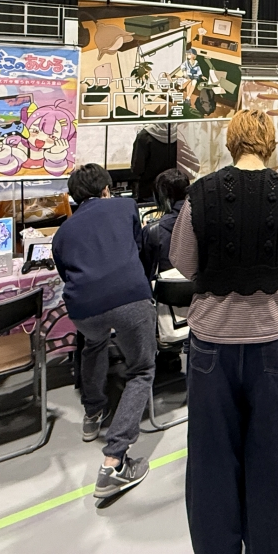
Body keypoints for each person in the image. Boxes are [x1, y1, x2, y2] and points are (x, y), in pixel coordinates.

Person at [170, 110, 278, 554]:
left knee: (211, 456)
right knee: (273, 455)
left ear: (230, 142)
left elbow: (184, 262)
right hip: (271, 343)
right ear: (270, 143)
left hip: (210, 346)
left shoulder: (200, 195)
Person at [52, 163, 159, 499]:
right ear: (106, 189)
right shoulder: (126, 207)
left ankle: (93, 412)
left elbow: (65, 273)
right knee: (141, 370)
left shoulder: (62, 233)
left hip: (84, 309)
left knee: (93, 344)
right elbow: (139, 246)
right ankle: (114, 460)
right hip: (129, 296)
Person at [142, 167, 189, 273]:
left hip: (166, 283)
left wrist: (145, 234)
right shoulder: (203, 220)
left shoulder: (154, 231)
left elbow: (145, 270)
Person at [131, 123, 177, 201]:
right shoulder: (180, 133)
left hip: (149, 190)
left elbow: (137, 168)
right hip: (174, 190)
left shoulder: (144, 136)